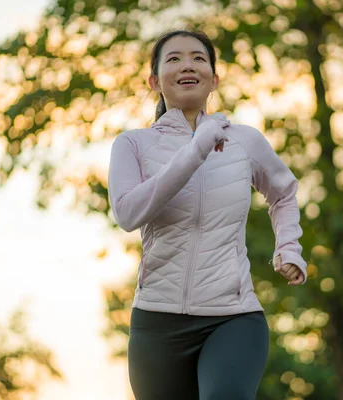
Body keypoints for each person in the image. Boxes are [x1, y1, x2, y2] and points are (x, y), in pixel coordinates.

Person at [108, 29, 307, 400]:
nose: (188, 65)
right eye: (174, 58)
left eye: (199, 58)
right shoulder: (132, 144)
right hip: (156, 322)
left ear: (214, 80)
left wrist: (289, 246)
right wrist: (198, 146)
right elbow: (128, 212)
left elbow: (284, 193)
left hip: (233, 316)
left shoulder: (244, 141)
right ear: (154, 81)